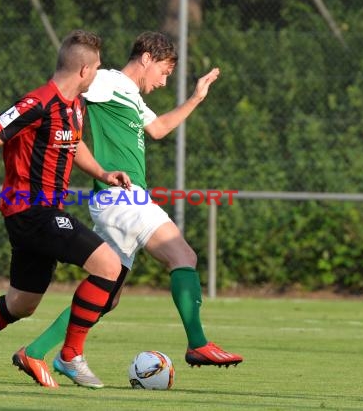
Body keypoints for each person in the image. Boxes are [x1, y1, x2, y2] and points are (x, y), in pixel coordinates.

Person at [12, 31, 243, 389]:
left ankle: (43, 351)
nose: (164, 81)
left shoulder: (132, 96)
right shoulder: (107, 81)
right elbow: (68, 84)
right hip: (122, 197)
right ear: (147, 57)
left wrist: (196, 97)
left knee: (107, 294)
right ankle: (198, 344)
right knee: (182, 255)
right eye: (164, 72)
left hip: (118, 203)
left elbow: (159, 129)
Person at [0, 29, 132, 391]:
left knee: (21, 303)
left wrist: (101, 172)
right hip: (31, 211)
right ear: (83, 70)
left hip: (43, 214)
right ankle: (70, 356)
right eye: (96, 68)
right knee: (110, 266)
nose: (98, 74)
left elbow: (73, 143)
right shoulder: (36, 103)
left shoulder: (75, 107)